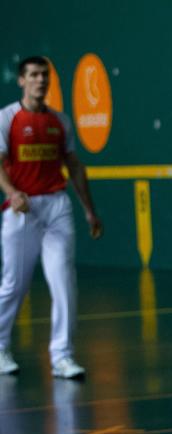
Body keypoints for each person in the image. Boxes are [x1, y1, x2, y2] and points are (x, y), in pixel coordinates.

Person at [0, 56, 103, 379]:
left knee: (63, 281)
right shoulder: (7, 118)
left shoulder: (61, 121)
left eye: (44, 75)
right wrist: (12, 193)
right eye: (33, 75)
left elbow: (74, 166)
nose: (40, 80)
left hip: (57, 207)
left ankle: (62, 356)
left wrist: (89, 209)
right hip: (21, 209)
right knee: (14, 285)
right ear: (21, 80)